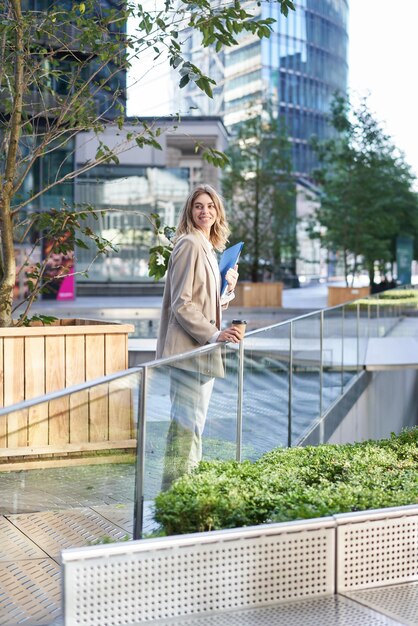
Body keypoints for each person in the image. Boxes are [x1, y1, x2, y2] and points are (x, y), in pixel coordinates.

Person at [156, 184, 241, 490]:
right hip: (189, 351)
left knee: (192, 426)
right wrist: (215, 334)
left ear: (218, 212)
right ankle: (176, 493)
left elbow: (206, 301)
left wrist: (227, 288)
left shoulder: (206, 246)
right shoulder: (189, 244)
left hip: (200, 351)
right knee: (186, 428)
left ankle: (180, 490)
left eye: (210, 206)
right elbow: (182, 304)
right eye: (198, 206)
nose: (205, 211)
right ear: (189, 212)